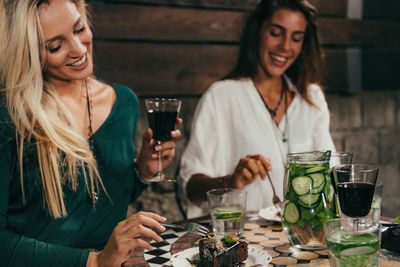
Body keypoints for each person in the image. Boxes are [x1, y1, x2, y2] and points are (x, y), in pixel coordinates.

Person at [0, 0, 182, 266]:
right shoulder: (10, 117)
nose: (78, 48)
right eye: (55, 46)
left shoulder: (124, 103)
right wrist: (94, 261)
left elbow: (98, 201)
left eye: (79, 28)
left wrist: (142, 172)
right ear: (28, 53)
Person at [178, 0, 335, 219]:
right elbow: (190, 188)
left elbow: (333, 176)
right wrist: (231, 182)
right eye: (276, 33)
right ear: (257, 32)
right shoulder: (221, 96)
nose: (286, 46)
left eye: (296, 38)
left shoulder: (312, 98)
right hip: (242, 240)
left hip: (302, 238)